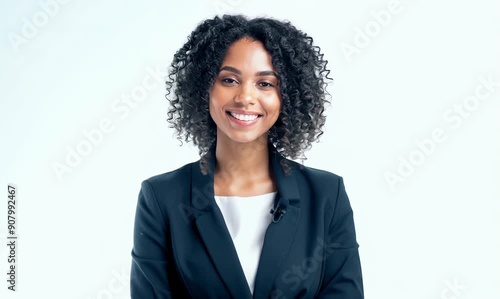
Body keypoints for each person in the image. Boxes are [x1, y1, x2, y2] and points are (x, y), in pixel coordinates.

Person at [130, 14, 364, 298]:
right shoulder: (162, 197)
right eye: (229, 80)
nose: (245, 97)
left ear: (287, 96)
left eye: (265, 84)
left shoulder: (327, 195)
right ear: (204, 88)